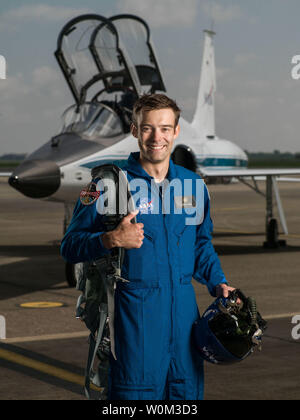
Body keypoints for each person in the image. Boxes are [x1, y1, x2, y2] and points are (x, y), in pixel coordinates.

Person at [61, 93, 236, 400]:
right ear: (134, 130)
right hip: (134, 324)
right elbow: (70, 246)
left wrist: (218, 281)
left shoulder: (194, 185)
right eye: (147, 128)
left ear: (176, 132)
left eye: (165, 128)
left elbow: (201, 245)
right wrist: (110, 239)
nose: (157, 137)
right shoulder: (108, 185)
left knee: (185, 396)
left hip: (185, 324)